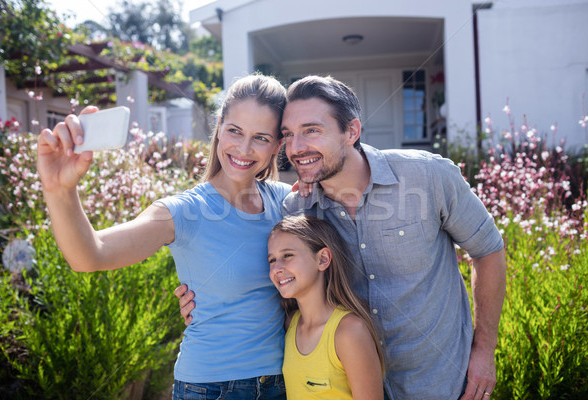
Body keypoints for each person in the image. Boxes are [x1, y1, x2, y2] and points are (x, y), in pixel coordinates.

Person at [177, 75, 506, 400]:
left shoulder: (428, 176)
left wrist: (484, 350)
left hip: (441, 385)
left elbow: (488, 250)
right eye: (288, 135)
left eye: (312, 131)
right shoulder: (298, 210)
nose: (296, 148)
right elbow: (280, 281)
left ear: (351, 131)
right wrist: (204, 298)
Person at [37, 74, 291, 399]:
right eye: (235, 131)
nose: (243, 148)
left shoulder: (286, 202)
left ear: (277, 145)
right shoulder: (185, 211)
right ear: (219, 128)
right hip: (211, 388)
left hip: (281, 382)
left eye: (260, 137)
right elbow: (91, 255)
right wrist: (59, 189)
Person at [267, 214, 385, 400]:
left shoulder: (349, 332)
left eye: (287, 255)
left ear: (322, 259)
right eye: (272, 260)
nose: (276, 269)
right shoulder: (291, 324)